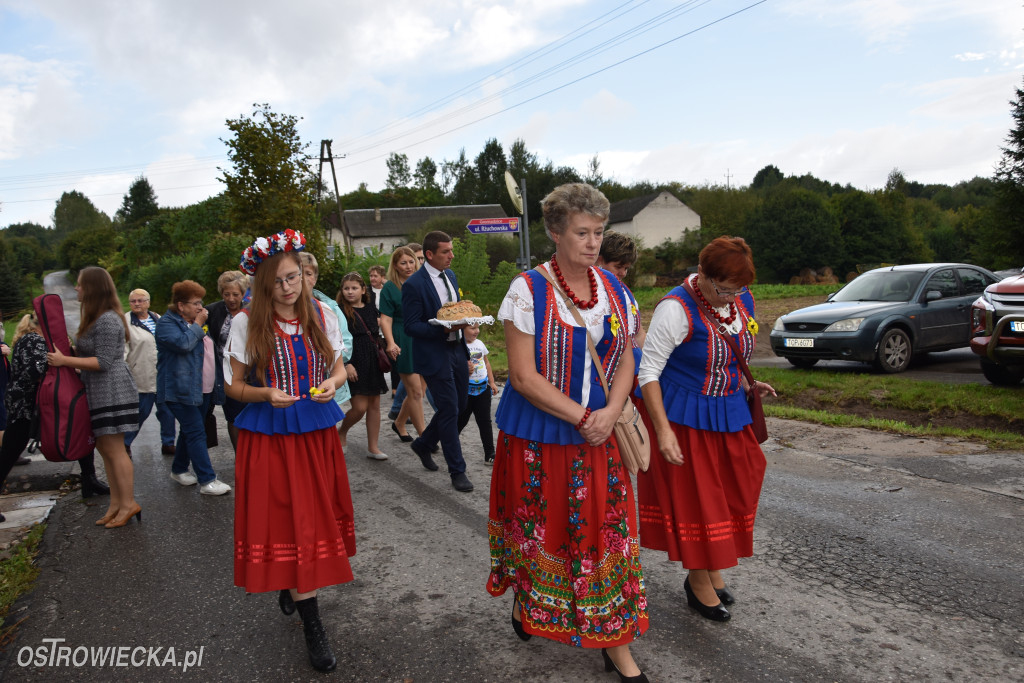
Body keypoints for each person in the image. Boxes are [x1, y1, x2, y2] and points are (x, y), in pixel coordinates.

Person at [487, 183, 648, 681]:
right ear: (555, 232)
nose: (593, 242)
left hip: (600, 438)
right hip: (540, 437)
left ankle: (616, 644)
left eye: (599, 232)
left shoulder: (616, 291)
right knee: (544, 532)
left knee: (607, 536)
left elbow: (627, 356)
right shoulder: (527, 290)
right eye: (582, 232)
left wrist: (611, 410)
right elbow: (522, 377)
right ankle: (528, 601)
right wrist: (582, 417)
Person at [225, 230, 354, 673]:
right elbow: (232, 386)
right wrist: (264, 396)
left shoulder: (322, 313)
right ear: (263, 284)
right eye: (279, 280)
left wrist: (331, 386)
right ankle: (313, 624)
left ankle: (296, 590)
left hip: (315, 432)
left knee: (311, 521)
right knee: (289, 519)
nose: (288, 286)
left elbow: (338, 369)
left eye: (294, 276)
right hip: (271, 435)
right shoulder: (246, 323)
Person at [636, 236, 776, 623]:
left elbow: (732, 353)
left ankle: (712, 569)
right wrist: (662, 431)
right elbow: (648, 373)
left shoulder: (740, 300)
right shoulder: (675, 309)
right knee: (702, 500)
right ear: (703, 275)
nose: (733, 297)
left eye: (740, 289)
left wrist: (749, 385)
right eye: (726, 289)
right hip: (686, 416)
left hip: (730, 410)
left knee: (738, 486)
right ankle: (699, 582)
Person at [47, 266, 139, 528]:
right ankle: (116, 503)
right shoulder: (95, 317)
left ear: (93, 288)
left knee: (114, 448)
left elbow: (105, 361)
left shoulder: (109, 319)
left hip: (112, 390)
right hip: (99, 390)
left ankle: (129, 503)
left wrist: (65, 360)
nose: (76, 288)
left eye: (79, 284)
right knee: (104, 449)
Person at [0, 315, 109, 520]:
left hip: (49, 401)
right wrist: (59, 360)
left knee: (78, 430)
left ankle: (89, 479)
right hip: (25, 404)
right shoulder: (31, 340)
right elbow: (35, 371)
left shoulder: (52, 341)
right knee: (10, 450)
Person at [402, 231, 474, 493]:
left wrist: (465, 325)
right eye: (446, 252)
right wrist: (441, 329)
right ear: (430, 254)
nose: (452, 256)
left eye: (452, 250)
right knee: (450, 408)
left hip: (457, 348)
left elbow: (455, 312)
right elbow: (411, 327)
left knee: (460, 405)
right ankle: (458, 471)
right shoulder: (414, 285)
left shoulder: (451, 276)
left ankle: (423, 444)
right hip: (434, 353)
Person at [156, 280, 231, 496]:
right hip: (181, 390)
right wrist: (198, 324)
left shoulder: (194, 322)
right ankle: (207, 480)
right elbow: (183, 345)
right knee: (196, 431)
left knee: (190, 430)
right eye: (196, 303)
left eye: (201, 303)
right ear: (181, 305)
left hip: (203, 389)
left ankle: (179, 469)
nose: (201, 307)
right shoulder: (167, 324)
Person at [335, 272, 389, 459]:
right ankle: (342, 432)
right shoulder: (339, 311)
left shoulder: (370, 308)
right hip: (354, 362)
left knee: (374, 405)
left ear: (363, 289)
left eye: (354, 288)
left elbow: (376, 334)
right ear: (342, 291)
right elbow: (337, 340)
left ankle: (373, 447)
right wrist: (346, 364)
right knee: (359, 407)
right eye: (346, 288)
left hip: (372, 361)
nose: (350, 292)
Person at [379, 247, 428, 442]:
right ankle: (425, 437)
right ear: (395, 266)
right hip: (404, 339)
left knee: (420, 390)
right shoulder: (390, 288)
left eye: (411, 261)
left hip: (424, 337)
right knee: (415, 391)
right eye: (403, 263)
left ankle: (399, 423)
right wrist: (390, 343)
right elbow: (385, 319)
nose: (408, 266)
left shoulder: (422, 282)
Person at [124, 288, 178, 455]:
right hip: (141, 375)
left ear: (148, 302)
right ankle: (125, 444)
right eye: (133, 301)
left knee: (167, 412)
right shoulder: (125, 322)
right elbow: (123, 351)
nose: (137, 304)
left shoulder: (157, 318)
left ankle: (168, 443)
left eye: (140, 300)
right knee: (140, 412)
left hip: (162, 374)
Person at [299, 253, 354, 410]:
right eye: (299, 273)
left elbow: (346, 344)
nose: (303, 278)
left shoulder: (328, 309)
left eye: (308, 273)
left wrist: (320, 362)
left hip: (324, 379)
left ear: (315, 278)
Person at [206, 271, 249, 450]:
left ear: (243, 293)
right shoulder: (211, 311)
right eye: (226, 294)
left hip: (250, 371)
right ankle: (240, 454)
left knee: (253, 414)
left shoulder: (252, 310)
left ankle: (255, 454)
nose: (231, 299)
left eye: (235, 294)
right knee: (234, 416)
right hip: (225, 372)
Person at [598, 231, 647, 354]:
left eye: (626, 268)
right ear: (599, 261)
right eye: (618, 267)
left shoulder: (626, 293)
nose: (623, 273)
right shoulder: (590, 296)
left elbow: (639, 334)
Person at [457, 324, 497, 464]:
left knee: (485, 421)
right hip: (466, 390)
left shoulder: (480, 344)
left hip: (482, 389)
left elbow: (486, 363)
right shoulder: (459, 346)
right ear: (462, 329)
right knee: (461, 419)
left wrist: (491, 382)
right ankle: (450, 444)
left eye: (477, 327)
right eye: (472, 328)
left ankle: (490, 453)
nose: (477, 331)